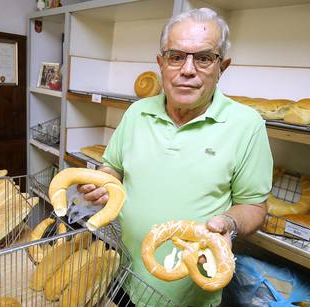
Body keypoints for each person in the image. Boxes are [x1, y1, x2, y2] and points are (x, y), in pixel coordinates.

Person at [77, 7, 273, 307]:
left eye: (204, 57)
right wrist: (101, 183)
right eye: (176, 56)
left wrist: (229, 223)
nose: (188, 70)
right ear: (161, 63)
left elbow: (254, 205)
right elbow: (112, 168)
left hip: (191, 292)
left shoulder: (247, 125)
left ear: (223, 67)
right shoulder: (136, 113)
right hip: (124, 271)